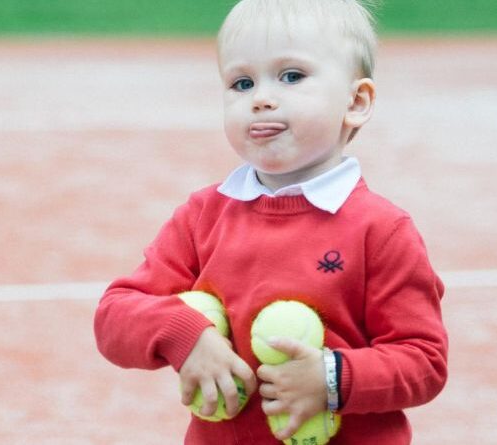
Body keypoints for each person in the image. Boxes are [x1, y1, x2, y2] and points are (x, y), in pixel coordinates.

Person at [93, 0, 448, 443]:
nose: (260, 98)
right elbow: (114, 315)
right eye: (241, 83)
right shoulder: (203, 216)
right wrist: (185, 335)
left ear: (356, 101)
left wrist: (332, 378)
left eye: (292, 76)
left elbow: (424, 361)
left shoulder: (382, 230)